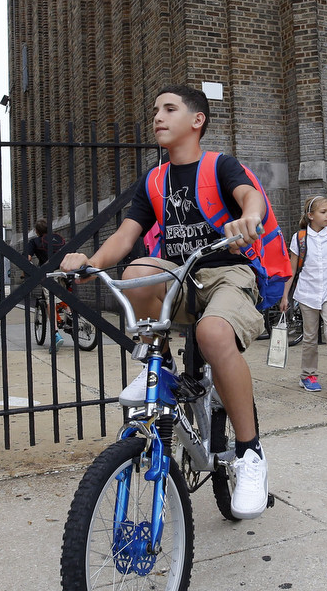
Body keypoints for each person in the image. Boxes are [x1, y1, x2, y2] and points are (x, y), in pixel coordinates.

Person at [61, 85, 270, 518]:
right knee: (135, 271)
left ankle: (251, 455)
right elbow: (126, 235)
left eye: (169, 108)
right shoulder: (154, 181)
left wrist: (249, 217)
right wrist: (88, 262)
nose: (157, 115)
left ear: (197, 121)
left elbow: (250, 196)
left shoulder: (219, 165)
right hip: (180, 279)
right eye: (155, 108)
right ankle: (163, 367)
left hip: (226, 273)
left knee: (214, 334)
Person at [280, 196, 327, 400]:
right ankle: (308, 375)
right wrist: (284, 296)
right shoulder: (299, 238)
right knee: (310, 337)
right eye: (323, 212)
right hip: (307, 294)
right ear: (310, 215)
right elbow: (292, 268)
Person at [26, 219, 63, 351]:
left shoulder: (34, 242)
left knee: (50, 301)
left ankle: (56, 334)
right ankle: (70, 315)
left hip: (48, 272)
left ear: (36, 231)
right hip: (64, 269)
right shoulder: (58, 238)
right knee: (66, 296)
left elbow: (28, 258)